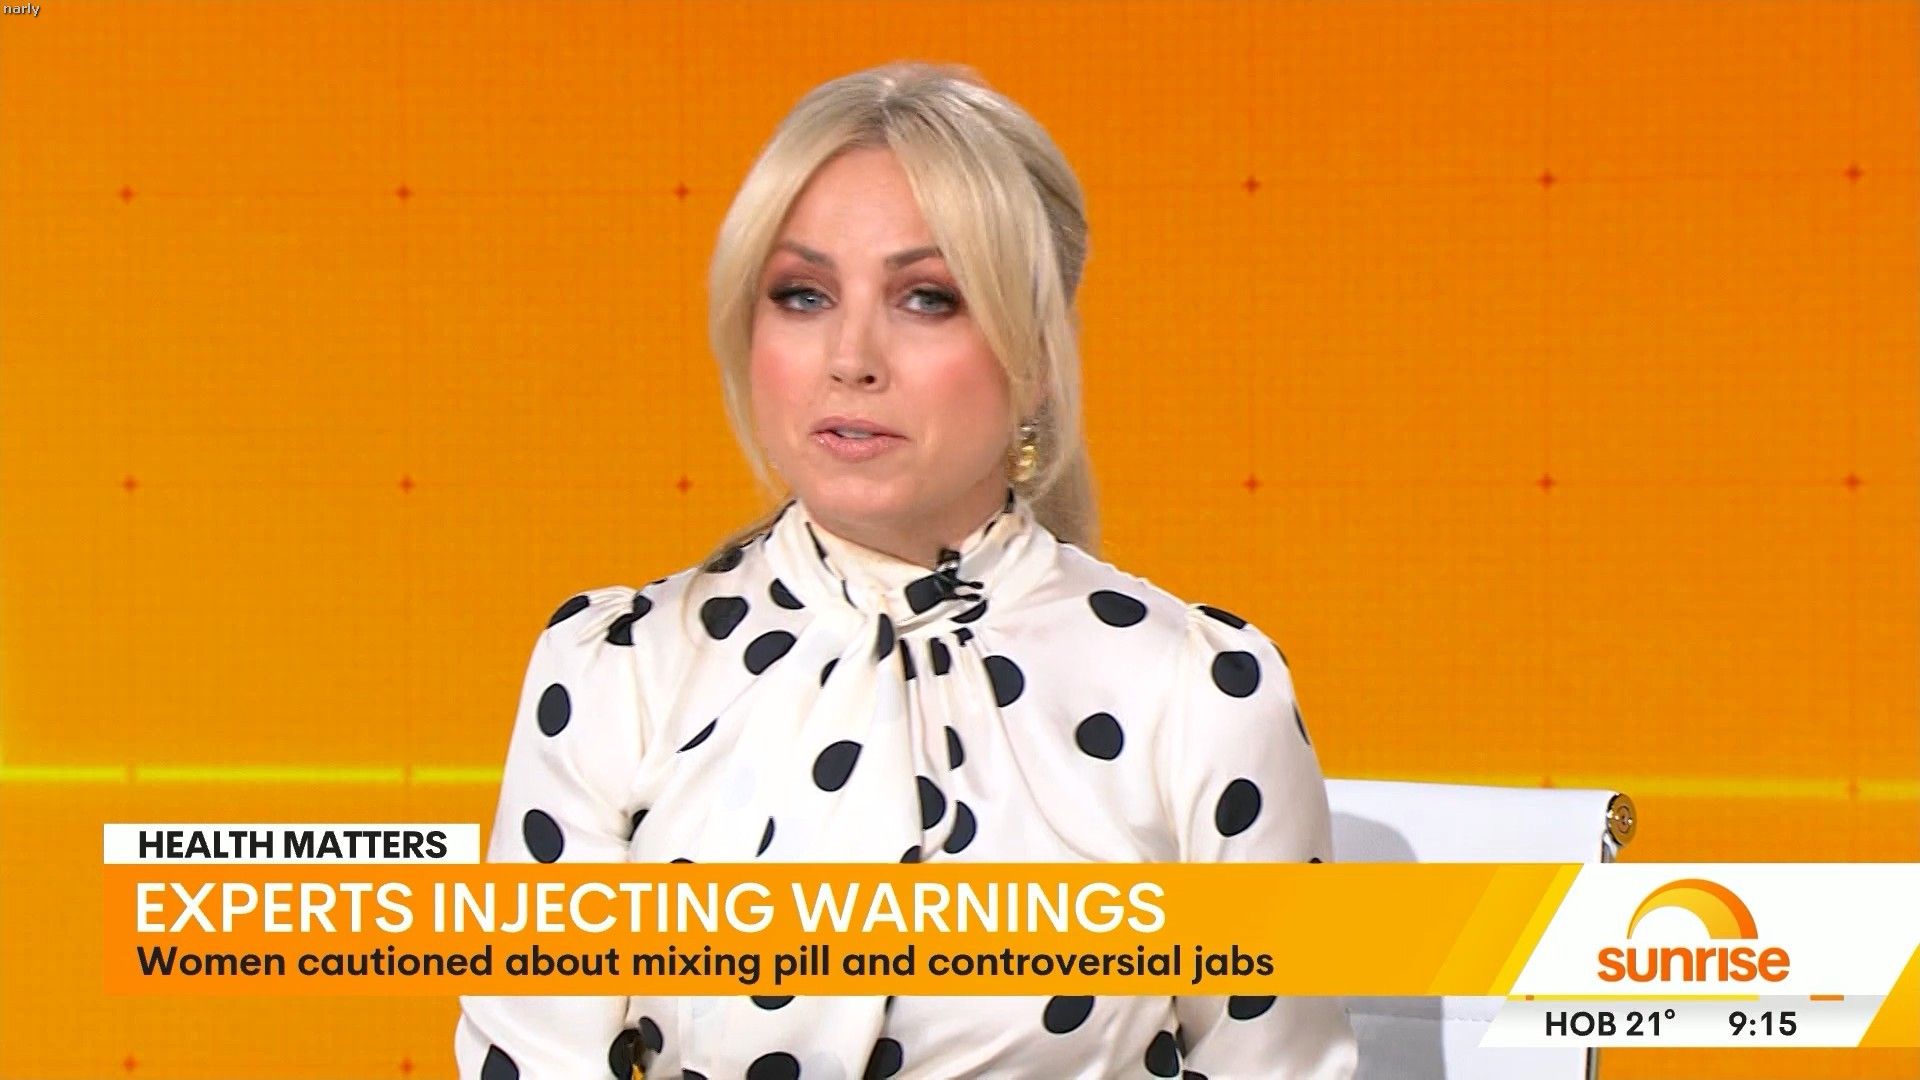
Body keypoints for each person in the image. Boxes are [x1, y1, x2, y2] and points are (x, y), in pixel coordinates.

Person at [454, 60, 1357, 1080]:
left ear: (1036, 356)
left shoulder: (1199, 693)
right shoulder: (615, 671)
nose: (851, 356)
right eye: (802, 295)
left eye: (927, 298)